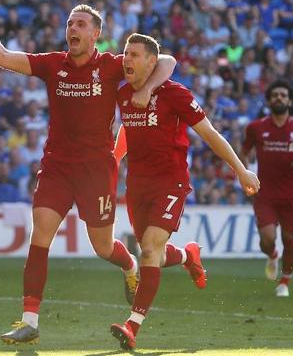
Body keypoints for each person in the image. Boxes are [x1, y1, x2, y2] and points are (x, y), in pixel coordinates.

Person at [0, 0, 177, 344]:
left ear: (96, 34)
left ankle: (129, 266)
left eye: (80, 24)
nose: (73, 29)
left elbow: (167, 60)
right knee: (41, 236)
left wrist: (151, 87)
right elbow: (0, 57)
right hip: (57, 168)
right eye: (69, 24)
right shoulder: (52, 64)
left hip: (96, 170)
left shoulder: (112, 66)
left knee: (102, 247)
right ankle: (29, 321)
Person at [110, 33, 260, 351]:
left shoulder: (175, 94)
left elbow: (209, 133)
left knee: (149, 248)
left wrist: (240, 169)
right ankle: (188, 255)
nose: (126, 59)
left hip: (170, 181)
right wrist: (114, 156)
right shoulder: (123, 92)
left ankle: (132, 325)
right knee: (154, 254)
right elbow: (128, 126)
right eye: (125, 53)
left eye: (134, 55)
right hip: (137, 184)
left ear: (152, 62)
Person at [240, 80, 293, 297]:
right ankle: (272, 254)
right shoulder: (256, 128)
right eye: (275, 95)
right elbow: (243, 151)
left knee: (289, 239)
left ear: (290, 101)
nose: (279, 98)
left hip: (291, 195)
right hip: (264, 193)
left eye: (284, 95)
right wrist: (244, 172)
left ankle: (284, 282)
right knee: (267, 238)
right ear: (268, 100)